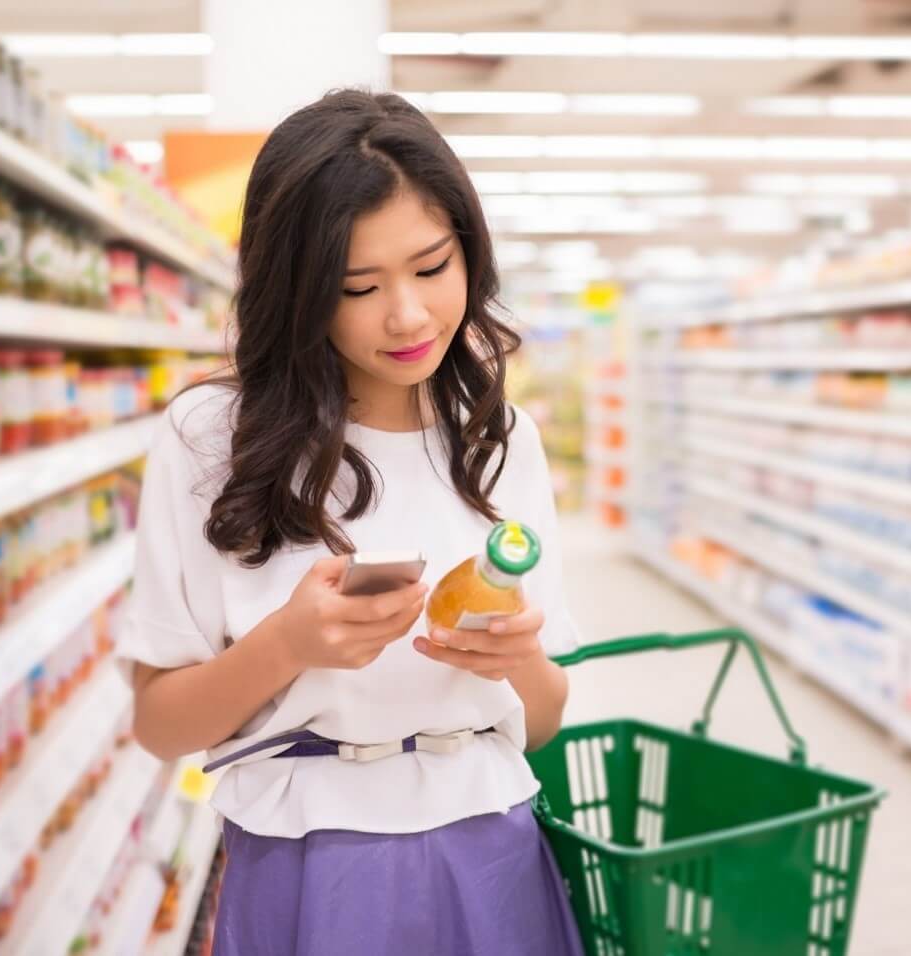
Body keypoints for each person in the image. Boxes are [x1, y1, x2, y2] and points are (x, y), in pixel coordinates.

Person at [116, 89, 585, 955]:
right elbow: (159, 727)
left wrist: (517, 661)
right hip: (308, 858)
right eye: (357, 287)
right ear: (298, 292)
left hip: (493, 846)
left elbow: (547, 718)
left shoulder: (500, 439)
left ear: (469, 254)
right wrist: (286, 645)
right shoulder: (212, 440)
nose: (406, 316)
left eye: (433, 267)